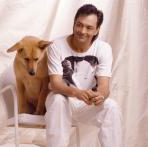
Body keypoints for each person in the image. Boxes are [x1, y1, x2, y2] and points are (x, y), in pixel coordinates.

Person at [45, 4, 122, 147]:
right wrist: (77, 92)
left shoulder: (103, 49)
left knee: (111, 106)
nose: (82, 31)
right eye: (79, 25)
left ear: (97, 30)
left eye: (89, 27)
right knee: (57, 100)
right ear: (74, 24)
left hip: (87, 103)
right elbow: (55, 84)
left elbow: (104, 86)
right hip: (64, 99)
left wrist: (100, 96)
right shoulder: (56, 45)